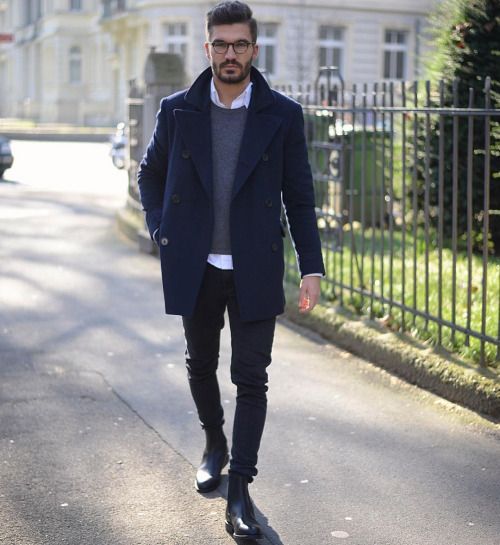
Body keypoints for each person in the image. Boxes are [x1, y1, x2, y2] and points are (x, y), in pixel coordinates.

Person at [138, 1, 325, 539]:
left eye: (239, 44)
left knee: (251, 378)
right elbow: (149, 177)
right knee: (200, 366)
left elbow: (300, 197)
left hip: (255, 267)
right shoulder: (177, 110)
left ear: (254, 50)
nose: (230, 54)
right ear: (207, 49)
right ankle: (214, 443)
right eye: (220, 44)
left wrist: (311, 267)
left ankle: (239, 488)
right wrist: (161, 230)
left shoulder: (283, 115)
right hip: (195, 264)